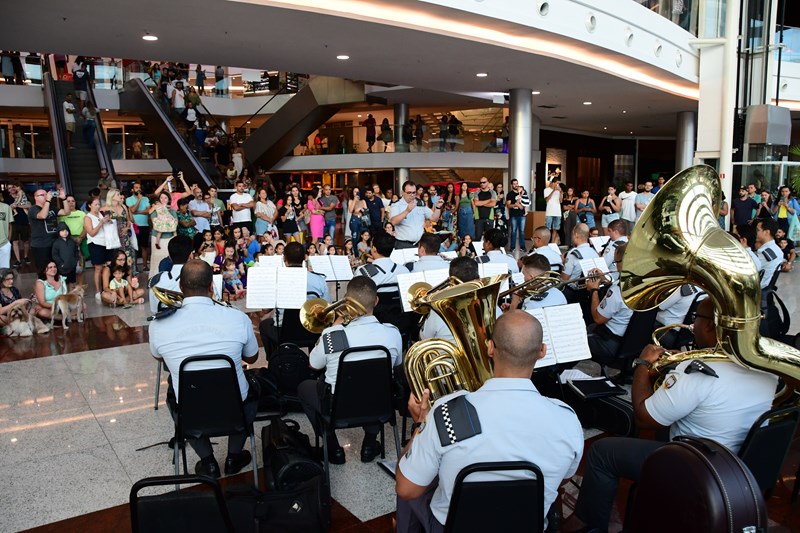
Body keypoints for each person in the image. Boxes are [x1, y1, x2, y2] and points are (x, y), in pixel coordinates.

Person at [566, 298, 778, 532]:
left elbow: (644, 418)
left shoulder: (698, 373)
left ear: (709, 326)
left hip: (695, 468)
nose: (692, 324)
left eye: (696, 318)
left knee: (602, 452)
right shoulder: (768, 367)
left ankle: (591, 527)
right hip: (736, 464)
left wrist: (642, 364)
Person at [396, 310, 584, 532]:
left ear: (490, 347)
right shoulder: (567, 420)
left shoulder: (448, 413)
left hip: (453, 528)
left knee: (412, 474)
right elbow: (564, 476)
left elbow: (406, 489)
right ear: (542, 351)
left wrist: (420, 425)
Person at [149, 260, 259, 478]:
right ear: (211, 286)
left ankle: (208, 462)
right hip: (235, 407)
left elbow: (158, 357)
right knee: (253, 388)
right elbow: (252, 357)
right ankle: (233, 456)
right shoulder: (237, 317)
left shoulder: (158, 324)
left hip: (192, 410)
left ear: (181, 288)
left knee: (175, 391)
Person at [298, 275, 403, 464]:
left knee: (304, 387)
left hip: (338, 409)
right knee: (374, 385)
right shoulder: (392, 332)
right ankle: (369, 445)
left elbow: (313, 365)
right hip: (380, 405)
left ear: (346, 302)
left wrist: (333, 327)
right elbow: (396, 366)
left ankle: (333, 448)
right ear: (376, 301)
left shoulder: (334, 336)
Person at [258, 242, 330, 356]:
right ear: (305, 258)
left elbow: (265, 309)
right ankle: (314, 359)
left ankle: (275, 359)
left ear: (284, 258)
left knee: (263, 325)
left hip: (284, 332)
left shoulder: (277, 280)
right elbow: (327, 307)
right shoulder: (319, 280)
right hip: (312, 331)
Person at [585, 244, 632, 367]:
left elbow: (598, 318)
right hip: (630, 340)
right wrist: (605, 280)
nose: (616, 267)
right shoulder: (643, 283)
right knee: (589, 327)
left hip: (611, 343)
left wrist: (594, 290)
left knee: (577, 340)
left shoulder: (617, 291)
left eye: (617, 262)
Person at [420, 256, 480, 343]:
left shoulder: (439, 311)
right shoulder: (492, 307)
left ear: (452, 281)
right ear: (478, 278)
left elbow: (424, 338)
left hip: (448, 356)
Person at [390, 181, 443, 249]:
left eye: (414, 192)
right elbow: (393, 221)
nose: (412, 195)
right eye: (409, 192)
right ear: (402, 192)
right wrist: (407, 210)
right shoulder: (396, 205)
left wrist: (438, 207)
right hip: (403, 244)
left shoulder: (420, 203)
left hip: (420, 244)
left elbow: (434, 218)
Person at [149, 236, 193, 315]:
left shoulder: (155, 280)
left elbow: (154, 311)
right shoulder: (198, 279)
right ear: (190, 255)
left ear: (169, 256)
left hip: (161, 325)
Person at [29, 187, 70, 271]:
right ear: (36, 197)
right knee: (44, 270)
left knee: (56, 268)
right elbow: (42, 215)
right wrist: (48, 200)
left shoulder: (52, 208)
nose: (45, 196)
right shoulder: (33, 209)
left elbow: (66, 212)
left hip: (54, 243)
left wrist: (64, 199)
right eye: (42, 195)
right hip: (41, 245)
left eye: (46, 194)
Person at [126, 181, 151, 272]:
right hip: (134, 226)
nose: (138, 189)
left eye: (139, 187)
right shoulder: (129, 199)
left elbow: (148, 211)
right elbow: (132, 209)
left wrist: (137, 212)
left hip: (145, 225)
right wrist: (139, 200)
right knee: (134, 247)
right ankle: (134, 267)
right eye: (136, 187)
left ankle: (145, 266)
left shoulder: (146, 198)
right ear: (132, 190)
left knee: (144, 246)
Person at [5, 183, 30, 267]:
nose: (11, 189)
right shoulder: (7, 198)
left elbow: (29, 205)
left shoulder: (22, 195)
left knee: (25, 240)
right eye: (9, 188)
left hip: (24, 221)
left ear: (15, 188)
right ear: (8, 190)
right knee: (15, 241)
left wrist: (17, 205)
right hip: (13, 222)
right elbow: (7, 209)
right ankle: (18, 260)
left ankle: (26, 257)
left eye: (13, 187)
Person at [755, 218, 782, 292]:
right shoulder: (778, 249)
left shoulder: (763, 252)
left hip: (759, 289)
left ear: (766, 232)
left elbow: (751, 272)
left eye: (758, 230)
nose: (756, 233)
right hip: (767, 288)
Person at [51, 222, 79, 289]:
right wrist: (61, 263)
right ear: (58, 232)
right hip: (62, 268)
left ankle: (71, 297)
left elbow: (76, 252)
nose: (65, 232)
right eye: (62, 231)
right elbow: (54, 255)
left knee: (72, 283)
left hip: (72, 267)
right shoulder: (56, 243)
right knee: (63, 284)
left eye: (66, 230)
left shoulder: (72, 241)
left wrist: (75, 261)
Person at [505, 178, 527, 253]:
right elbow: (508, 205)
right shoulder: (510, 194)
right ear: (511, 185)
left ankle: (523, 247)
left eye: (517, 183)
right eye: (514, 184)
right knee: (513, 231)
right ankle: (512, 247)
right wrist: (515, 204)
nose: (516, 185)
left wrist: (521, 206)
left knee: (522, 231)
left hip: (522, 214)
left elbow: (526, 202)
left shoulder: (523, 192)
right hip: (514, 215)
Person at [543, 178, 562, 243]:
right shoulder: (546, 190)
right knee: (548, 228)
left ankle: (552, 243)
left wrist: (561, 192)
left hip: (557, 212)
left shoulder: (559, 190)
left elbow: (560, 201)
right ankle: (546, 242)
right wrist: (553, 190)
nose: (558, 185)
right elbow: (547, 200)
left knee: (555, 229)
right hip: (549, 212)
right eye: (557, 183)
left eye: (558, 183)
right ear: (553, 183)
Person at [0, 194, 13, 269]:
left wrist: (9, 241)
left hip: (4, 243)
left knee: (4, 270)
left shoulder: (6, 207)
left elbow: (10, 225)